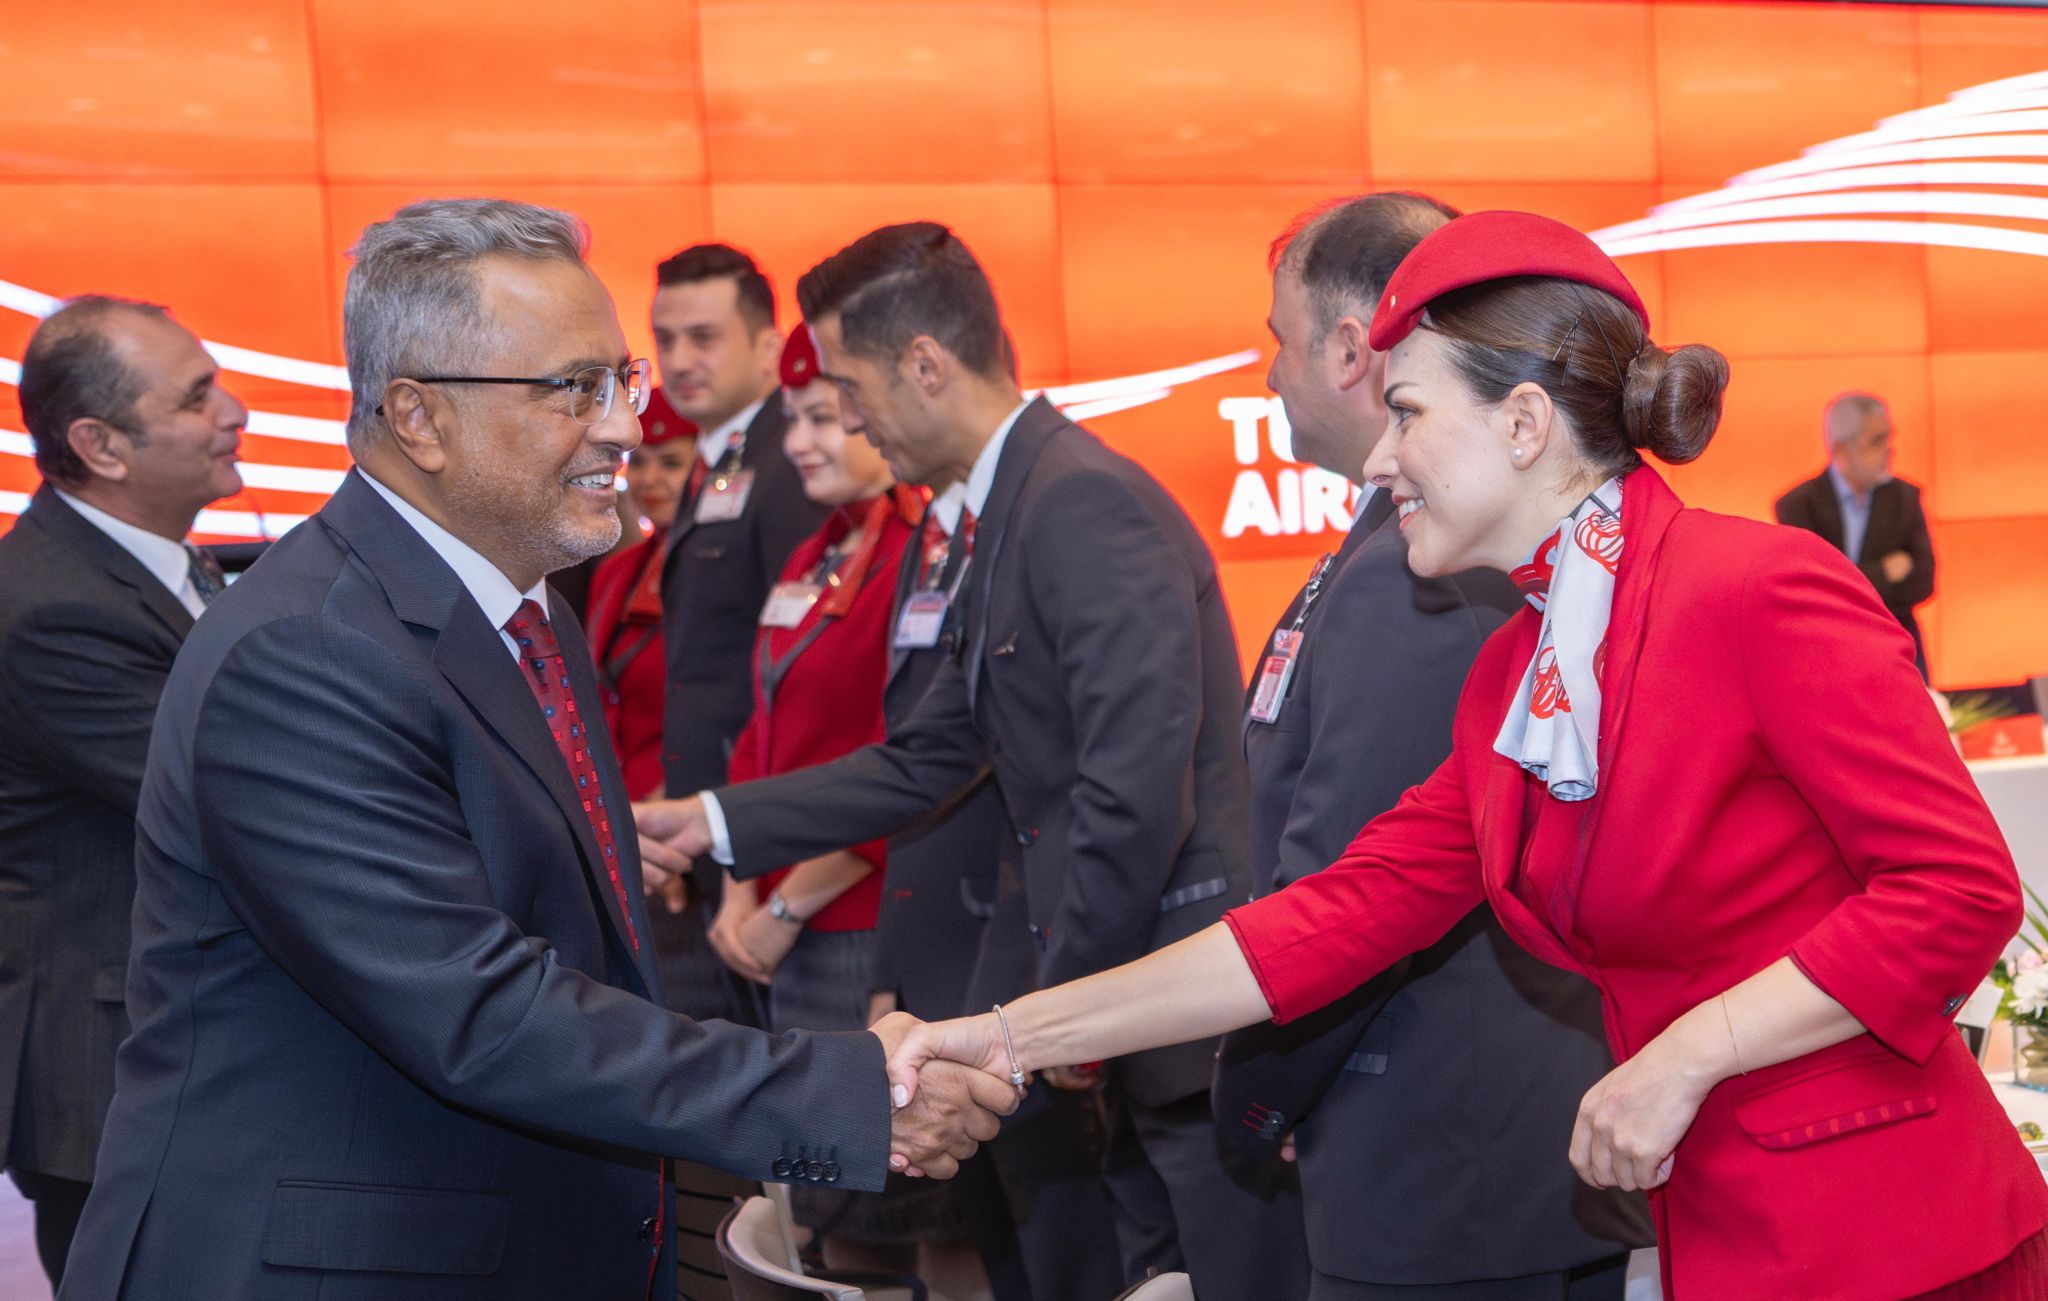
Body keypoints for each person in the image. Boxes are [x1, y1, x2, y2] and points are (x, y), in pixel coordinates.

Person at [876, 212, 2046, 1301]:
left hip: (1896, 1231)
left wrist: (1691, 1051)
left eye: (1407, 412)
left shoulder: (1753, 587)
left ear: (1524, 424)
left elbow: (1957, 889)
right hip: (1720, 1231)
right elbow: (1331, 918)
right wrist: (1014, 1030)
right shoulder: (1519, 673)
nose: (1379, 459)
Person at [55, 199, 1014, 1301]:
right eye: (572, 389)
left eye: (621, 380)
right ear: (417, 416)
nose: (619, 427)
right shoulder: (307, 651)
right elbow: (479, 1009)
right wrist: (844, 1089)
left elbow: (576, 965)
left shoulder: (528, 617)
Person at [638, 220, 1309, 1299]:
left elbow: (1132, 798)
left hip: (1166, 1019)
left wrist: (1047, 1024)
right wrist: (709, 819)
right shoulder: (1003, 511)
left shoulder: (1080, 502)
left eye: (848, 388)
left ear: (924, 364)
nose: (842, 419)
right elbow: (928, 755)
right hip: (1102, 1009)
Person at [1213, 193, 1651, 1298]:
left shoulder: (1423, 579)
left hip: (1441, 1169)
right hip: (1465, 1156)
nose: (1267, 374)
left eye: (1276, 339)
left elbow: (1348, 890)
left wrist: (1259, 1091)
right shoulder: (1407, 556)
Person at [0, 297, 245, 1290]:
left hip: (180, 1054)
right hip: (116, 1074)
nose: (234, 412)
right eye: (196, 397)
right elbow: (226, 798)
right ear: (100, 444)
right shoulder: (52, 605)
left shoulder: (165, 565)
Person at [651, 242, 829, 1024]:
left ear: (766, 345)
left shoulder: (790, 461)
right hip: (720, 832)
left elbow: (799, 675)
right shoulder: (718, 462)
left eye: (704, 336)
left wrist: (759, 875)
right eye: (665, 339)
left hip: (775, 851)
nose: (679, 359)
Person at [1774, 393, 1935, 679]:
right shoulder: (1798, 507)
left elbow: (1923, 582)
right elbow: (1816, 593)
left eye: (1888, 437)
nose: (1889, 450)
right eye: (1876, 441)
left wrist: (1846, 580)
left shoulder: (1905, 498)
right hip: (1826, 656)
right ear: (1842, 450)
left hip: (1896, 652)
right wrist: (1883, 571)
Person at [585, 386, 696, 800]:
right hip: (615, 800)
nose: (650, 479)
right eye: (640, 463)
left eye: (671, 464)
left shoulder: (721, 572)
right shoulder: (616, 570)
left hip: (681, 806)